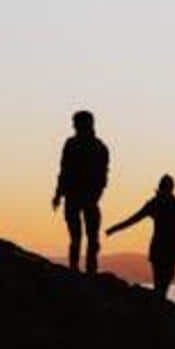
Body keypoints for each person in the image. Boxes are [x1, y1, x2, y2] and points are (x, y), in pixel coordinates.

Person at [51, 110, 110, 273]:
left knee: (88, 237)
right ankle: (77, 269)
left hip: (85, 197)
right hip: (78, 197)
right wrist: (58, 194)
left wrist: (59, 194)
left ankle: (86, 269)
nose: (74, 126)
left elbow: (102, 177)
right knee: (78, 236)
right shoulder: (78, 145)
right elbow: (64, 171)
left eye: (76, 123)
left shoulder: (97, 147)